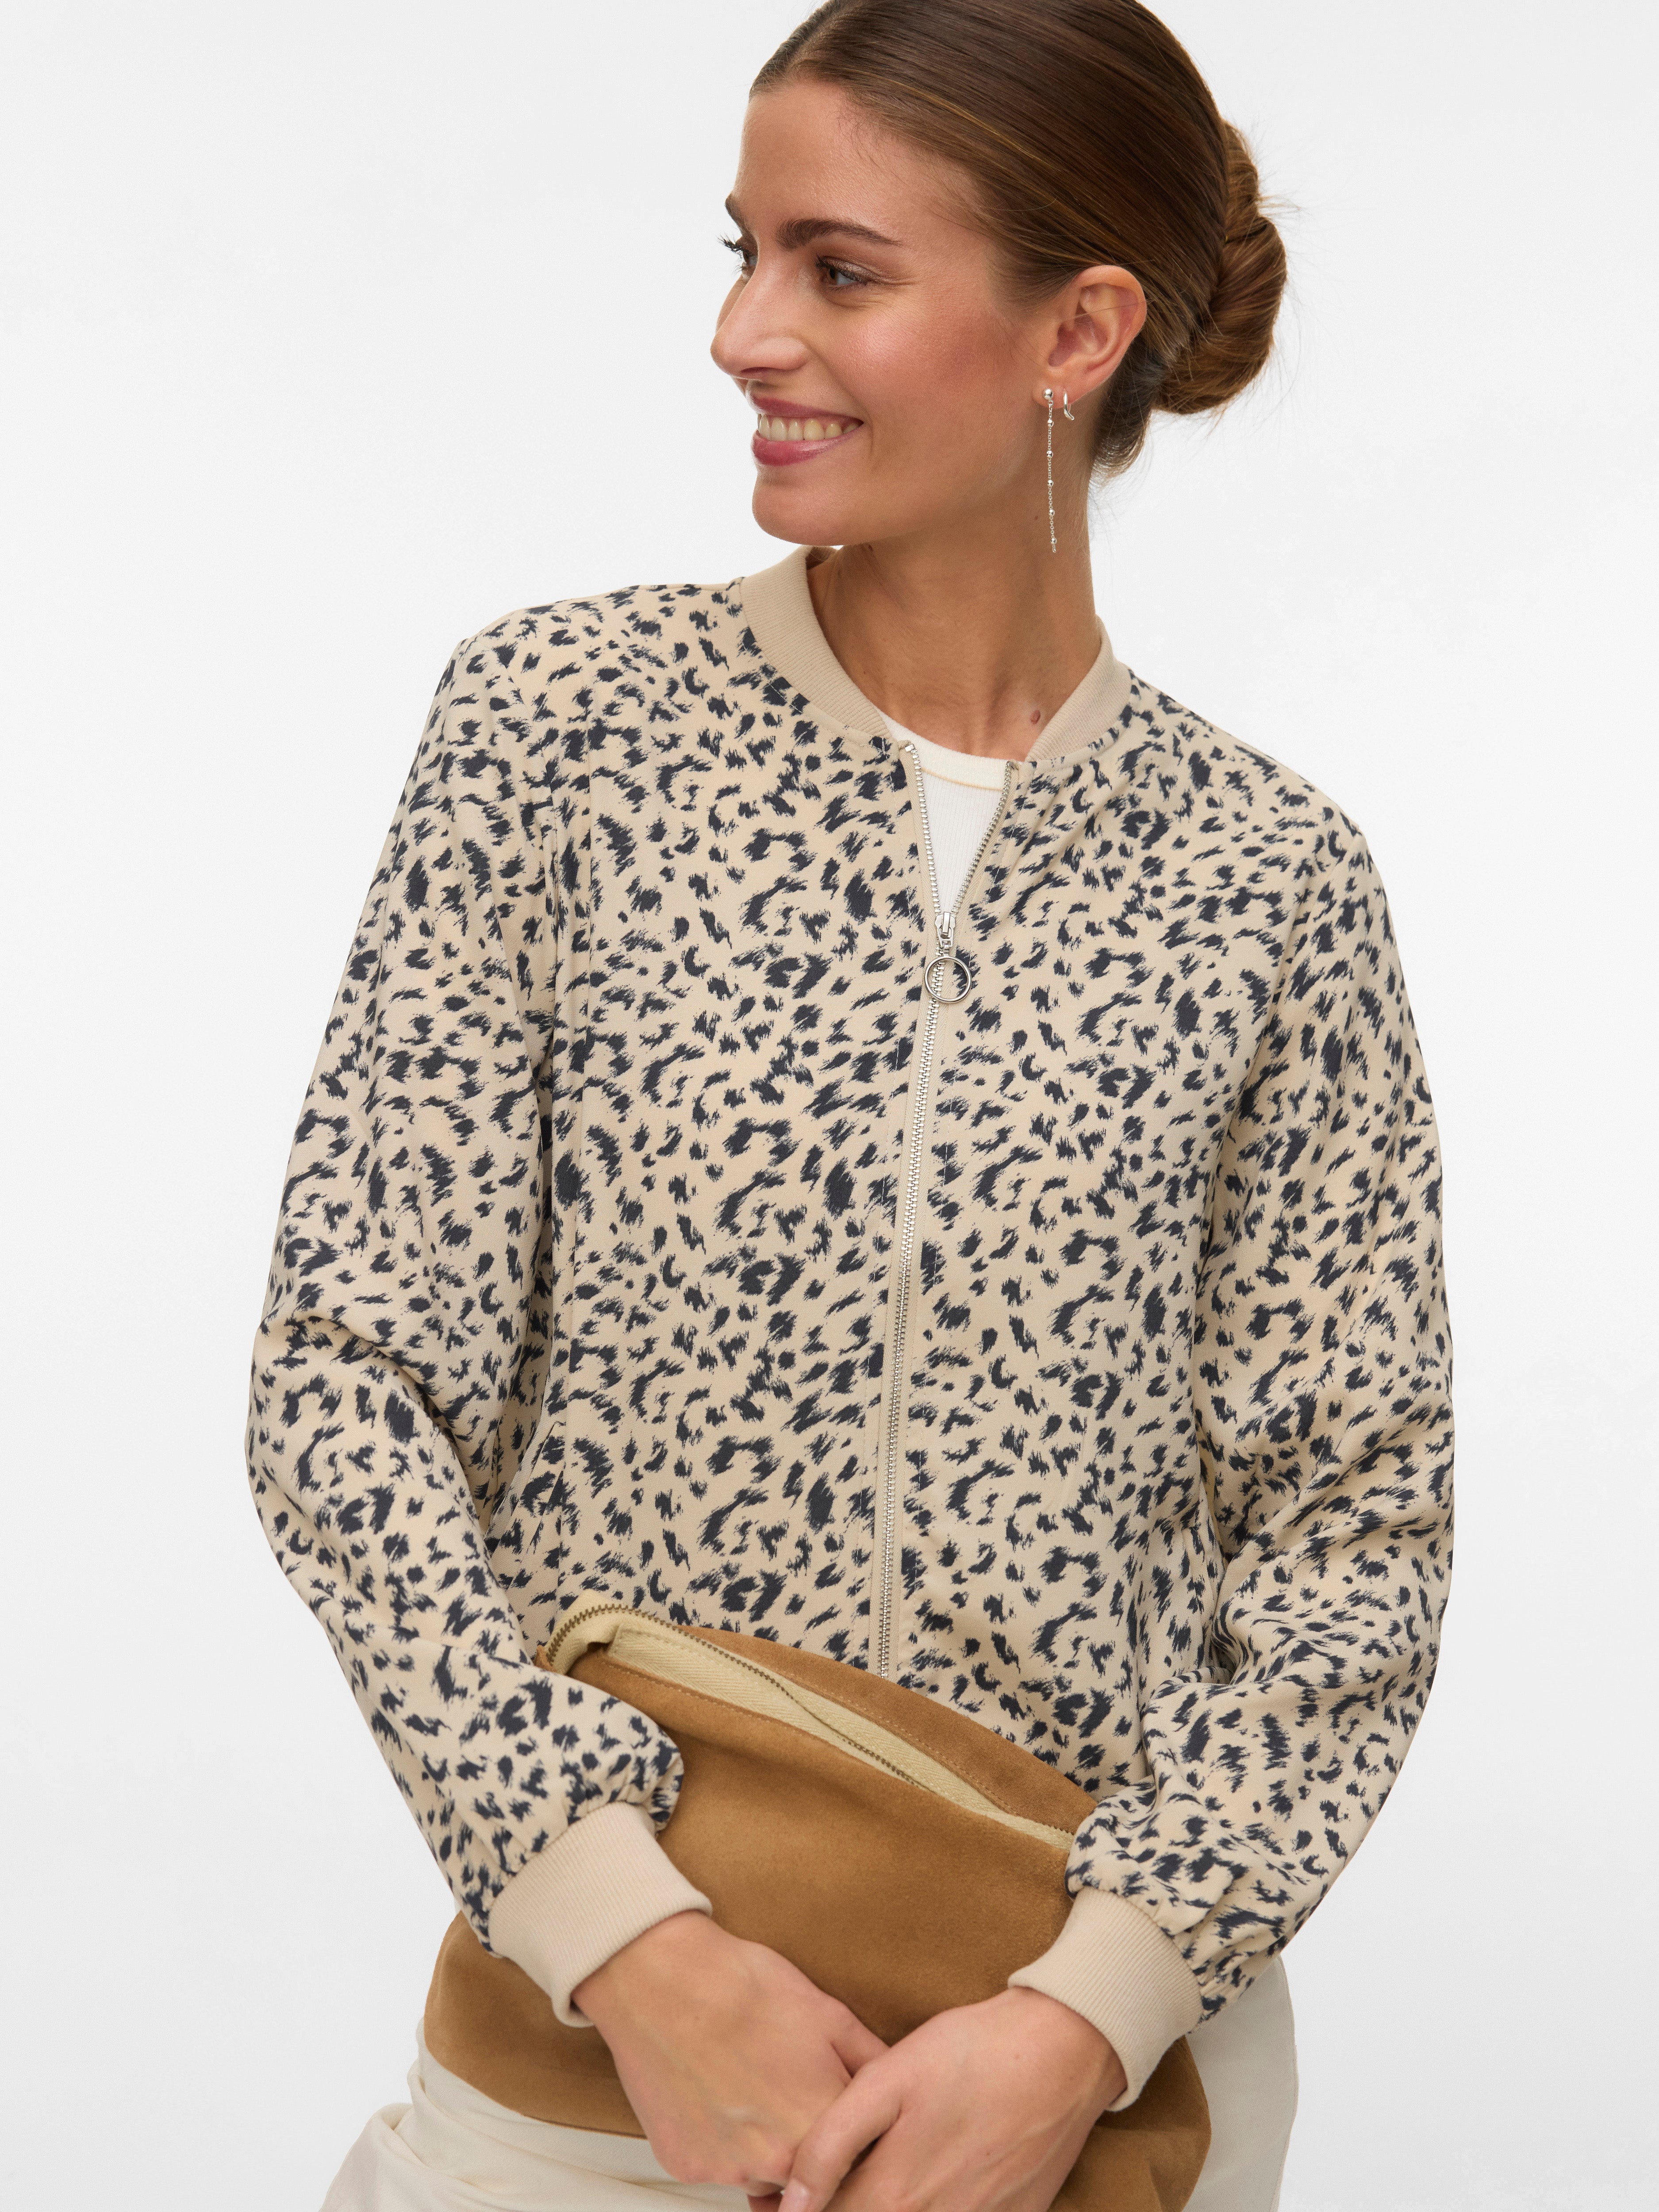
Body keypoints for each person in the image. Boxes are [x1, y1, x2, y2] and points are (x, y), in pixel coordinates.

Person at [247, 4, 1454, 2208]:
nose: (742, 332)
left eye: (837, 268)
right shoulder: (562, 730)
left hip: (1077, 2108)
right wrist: (629, 1940)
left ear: (1077, 330)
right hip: (602, 2069)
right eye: (742, 250)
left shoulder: (1268, 881)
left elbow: (1350, 1538)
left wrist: (1084, 2017)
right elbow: (346, 1385)